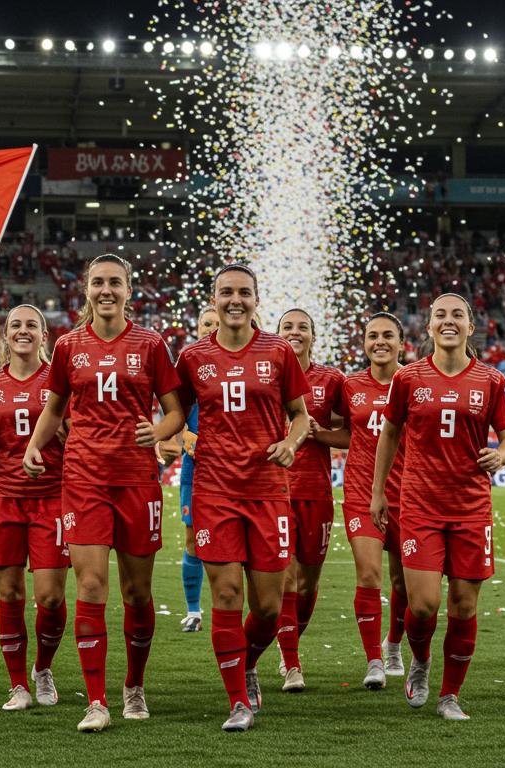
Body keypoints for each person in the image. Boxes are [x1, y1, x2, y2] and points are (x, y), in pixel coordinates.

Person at [22, 253, 185, 732]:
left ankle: (134, 684)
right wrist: (34, 445)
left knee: (137, 592)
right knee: (91, 586)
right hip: (84, 480)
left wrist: (158, 431)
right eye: (98, 282)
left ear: (129, 290)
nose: (106, 290)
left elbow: (175, 412)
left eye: (115, 282)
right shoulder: (69, 346)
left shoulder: (150, 344)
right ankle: (96, 701)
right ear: (87, 290)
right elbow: (55, 409)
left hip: (136, 480)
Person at [370, 293, 505, 721]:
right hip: (420, 505)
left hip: (471, 508)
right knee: (422, 606)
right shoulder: (408, 378)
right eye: (440, 315)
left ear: (470, 327)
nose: (448, 321)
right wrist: (378, 491)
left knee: (464, 606)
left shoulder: (492, 380)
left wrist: (500, 455)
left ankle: (449, 695)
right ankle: (420, 662)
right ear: (429, 326)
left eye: (457, 315)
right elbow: (389, 434)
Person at [174, 265, 309, 732]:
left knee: (269, 607)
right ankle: (238, 701)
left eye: (244, 292)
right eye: (226, 292)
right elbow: (175, 413)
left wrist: (290, 442)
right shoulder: (193, 357)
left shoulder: (278, 351)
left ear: (256, 299)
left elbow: (300, 415)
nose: (235, 300)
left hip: (267, 491)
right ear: (214, 299)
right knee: (227, 594)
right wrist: (163, 436)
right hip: (214, 490)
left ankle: (247, 661)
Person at [0, 302, 69, 711]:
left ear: (44, 335)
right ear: (6, 335)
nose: (22, 331)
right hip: (2, 497)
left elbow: (77, 434)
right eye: (15, 325)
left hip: (52, 497)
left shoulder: (60, 380)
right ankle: (18, 684)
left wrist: (68, 434)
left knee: (51, 598)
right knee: (8, 594)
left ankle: (43, 668)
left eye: (31, 325)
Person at [271, 309, 347, 692]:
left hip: (317, 493)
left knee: (307, 583)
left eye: (302, 327)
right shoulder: (265, 376)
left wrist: (319, 435)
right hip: (276, 493)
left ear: (314, 336)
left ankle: (288, 643)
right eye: (287, 326)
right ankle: (292, 664)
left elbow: (353, 434)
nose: (295, 332)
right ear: (277, 334)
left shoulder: (331, 380)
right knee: (287, 577)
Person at [338, 312, 411, 686]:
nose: (379, 342)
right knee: (369, 573)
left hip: (408, 495)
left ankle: (394, 644)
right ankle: (374, 661)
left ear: (401, 343)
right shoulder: (350, 385)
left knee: (403, 583)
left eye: (387, 335)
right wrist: (308, 434)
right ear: (364, 342)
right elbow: (341, 431)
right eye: (372, 336)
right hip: (361, 493)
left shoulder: (415, 383)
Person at [177, 307, 219, 633]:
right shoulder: (188, 363)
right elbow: (173, 409)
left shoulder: (243, 364)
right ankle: (193, 610)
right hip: (195, 469)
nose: (211, 329)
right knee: (193, 539)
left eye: (216, 324)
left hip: (231, 470)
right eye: (206, 323)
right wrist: (181, 432)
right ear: (197, 327)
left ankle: (229, 607)